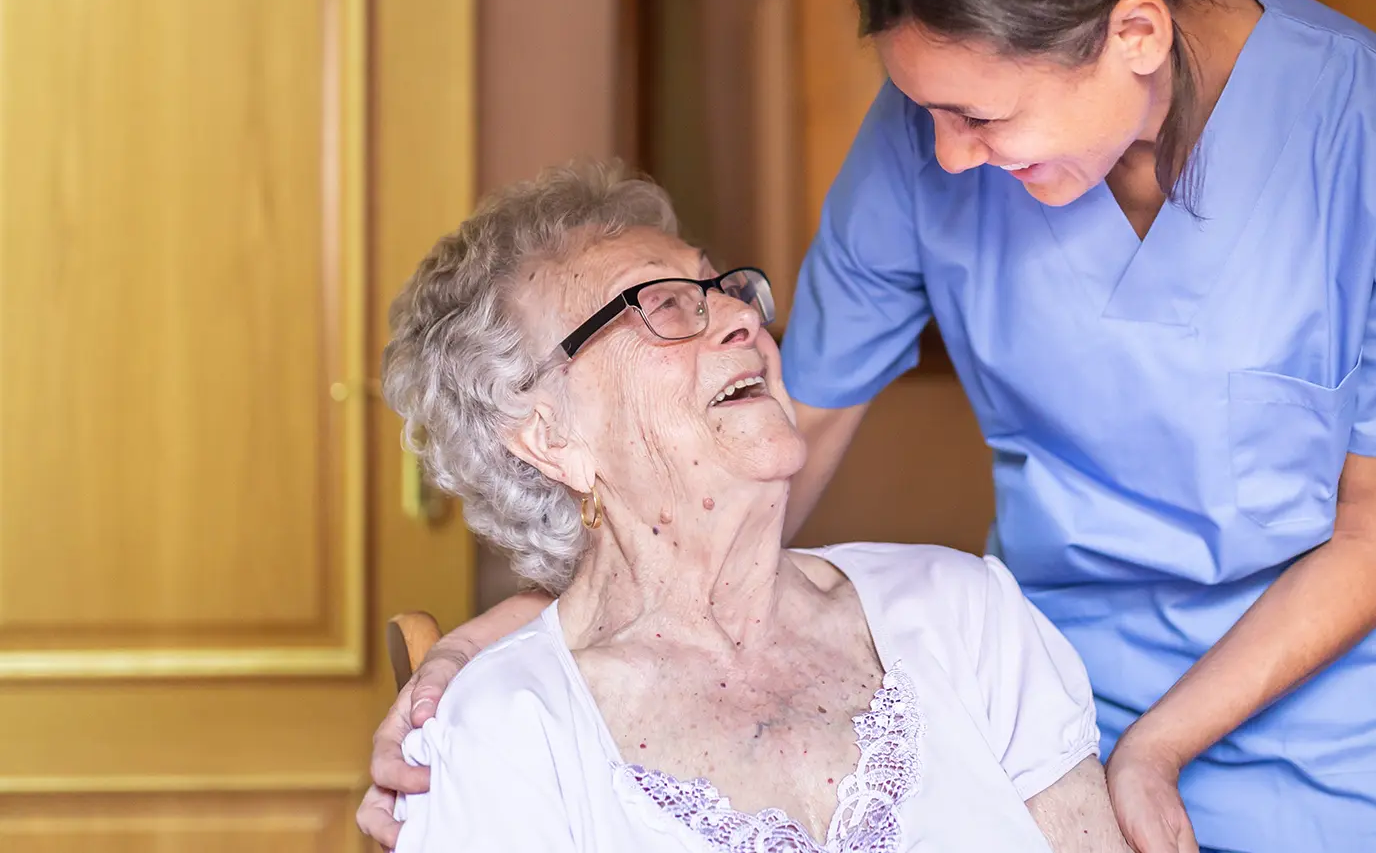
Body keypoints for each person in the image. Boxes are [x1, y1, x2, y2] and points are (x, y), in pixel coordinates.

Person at [364, 0, 1376, 851]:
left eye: (982, 116)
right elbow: (784, 431)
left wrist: (1160, 747)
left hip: (1353, 748)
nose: (942, 153)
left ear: (1136, 33)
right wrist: (540, 640)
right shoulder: (926, 146)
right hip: (1057, 698)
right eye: (918, 106)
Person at [365, 162, 1130, 852]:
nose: (741, 318)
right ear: (549, 436)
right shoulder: (508, 732)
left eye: (724, 289)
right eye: (661, 305)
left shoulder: (966, 617)